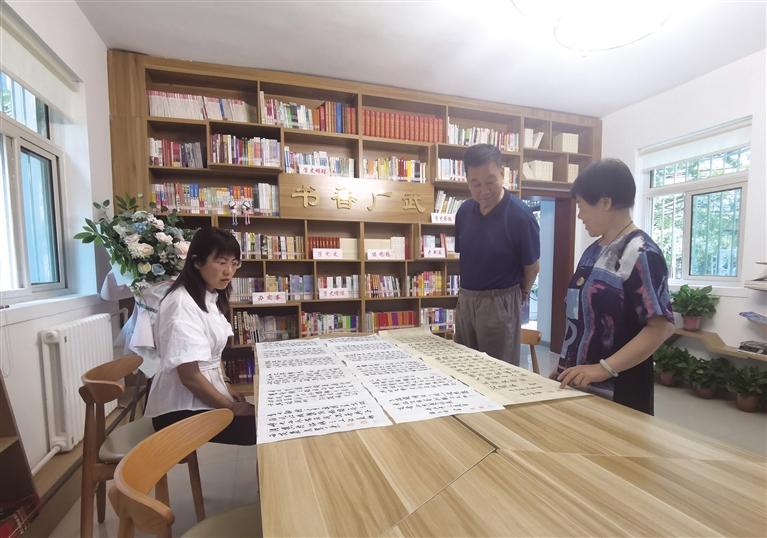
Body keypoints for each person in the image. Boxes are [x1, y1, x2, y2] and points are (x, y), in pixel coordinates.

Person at [555, 158, 675, 415]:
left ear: (605, 202)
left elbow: (661, 328)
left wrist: (604, 369)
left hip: (619, 389)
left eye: (581, 205)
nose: (579, 215)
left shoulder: (641, 253)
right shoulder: (593, 251)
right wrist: (563, 367)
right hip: (579, 382)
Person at [145, 226, 256, 444]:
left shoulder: (210, 295)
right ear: (197, 262)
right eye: (221, 262)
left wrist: (225, 385)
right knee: (266, 427)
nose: (229, 271)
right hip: (178, 409)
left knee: (267, 418)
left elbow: (214, 353)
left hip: (201, 397)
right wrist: (229, 407)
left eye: (234, 263)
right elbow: (189, 377)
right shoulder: (181, 303)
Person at [454, 144, 540, 366]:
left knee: (497, 370)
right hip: (466, 299)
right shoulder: (464, 212)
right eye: (475, 184)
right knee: (463, 367)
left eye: (490, 181)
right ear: (467, 181)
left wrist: (521, 293)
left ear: (502, 174)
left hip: (500, 301)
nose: (483, 190)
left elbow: (532, 267)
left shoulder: (521, 216)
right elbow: (466, 257)